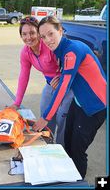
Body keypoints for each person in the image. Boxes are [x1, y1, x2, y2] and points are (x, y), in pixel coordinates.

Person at [33, 16, 107, 179]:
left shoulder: (71, 50)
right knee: (66, 142)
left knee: (77, 150)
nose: (47, 40)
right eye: (43, 37)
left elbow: (63, 88)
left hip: (94, 108)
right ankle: (65, 175)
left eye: (51, 34)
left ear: (61, 31)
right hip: (79, 102)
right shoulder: (63, 50)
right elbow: (71, 75)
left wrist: (46, 117)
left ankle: (77, 180)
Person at [9, 16, 74, 147]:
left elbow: (70, 62)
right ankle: (48, 146)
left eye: (32, 33)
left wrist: (62, 76)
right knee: (45, 117)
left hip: (68, 86)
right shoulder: (26, 52)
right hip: (50, 86)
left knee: (62, 120)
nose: (28, 37)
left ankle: (62, 150)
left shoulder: (49, 45)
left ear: (39, 33)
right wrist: (17, 103)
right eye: (24, 34)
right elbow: (24, 76)